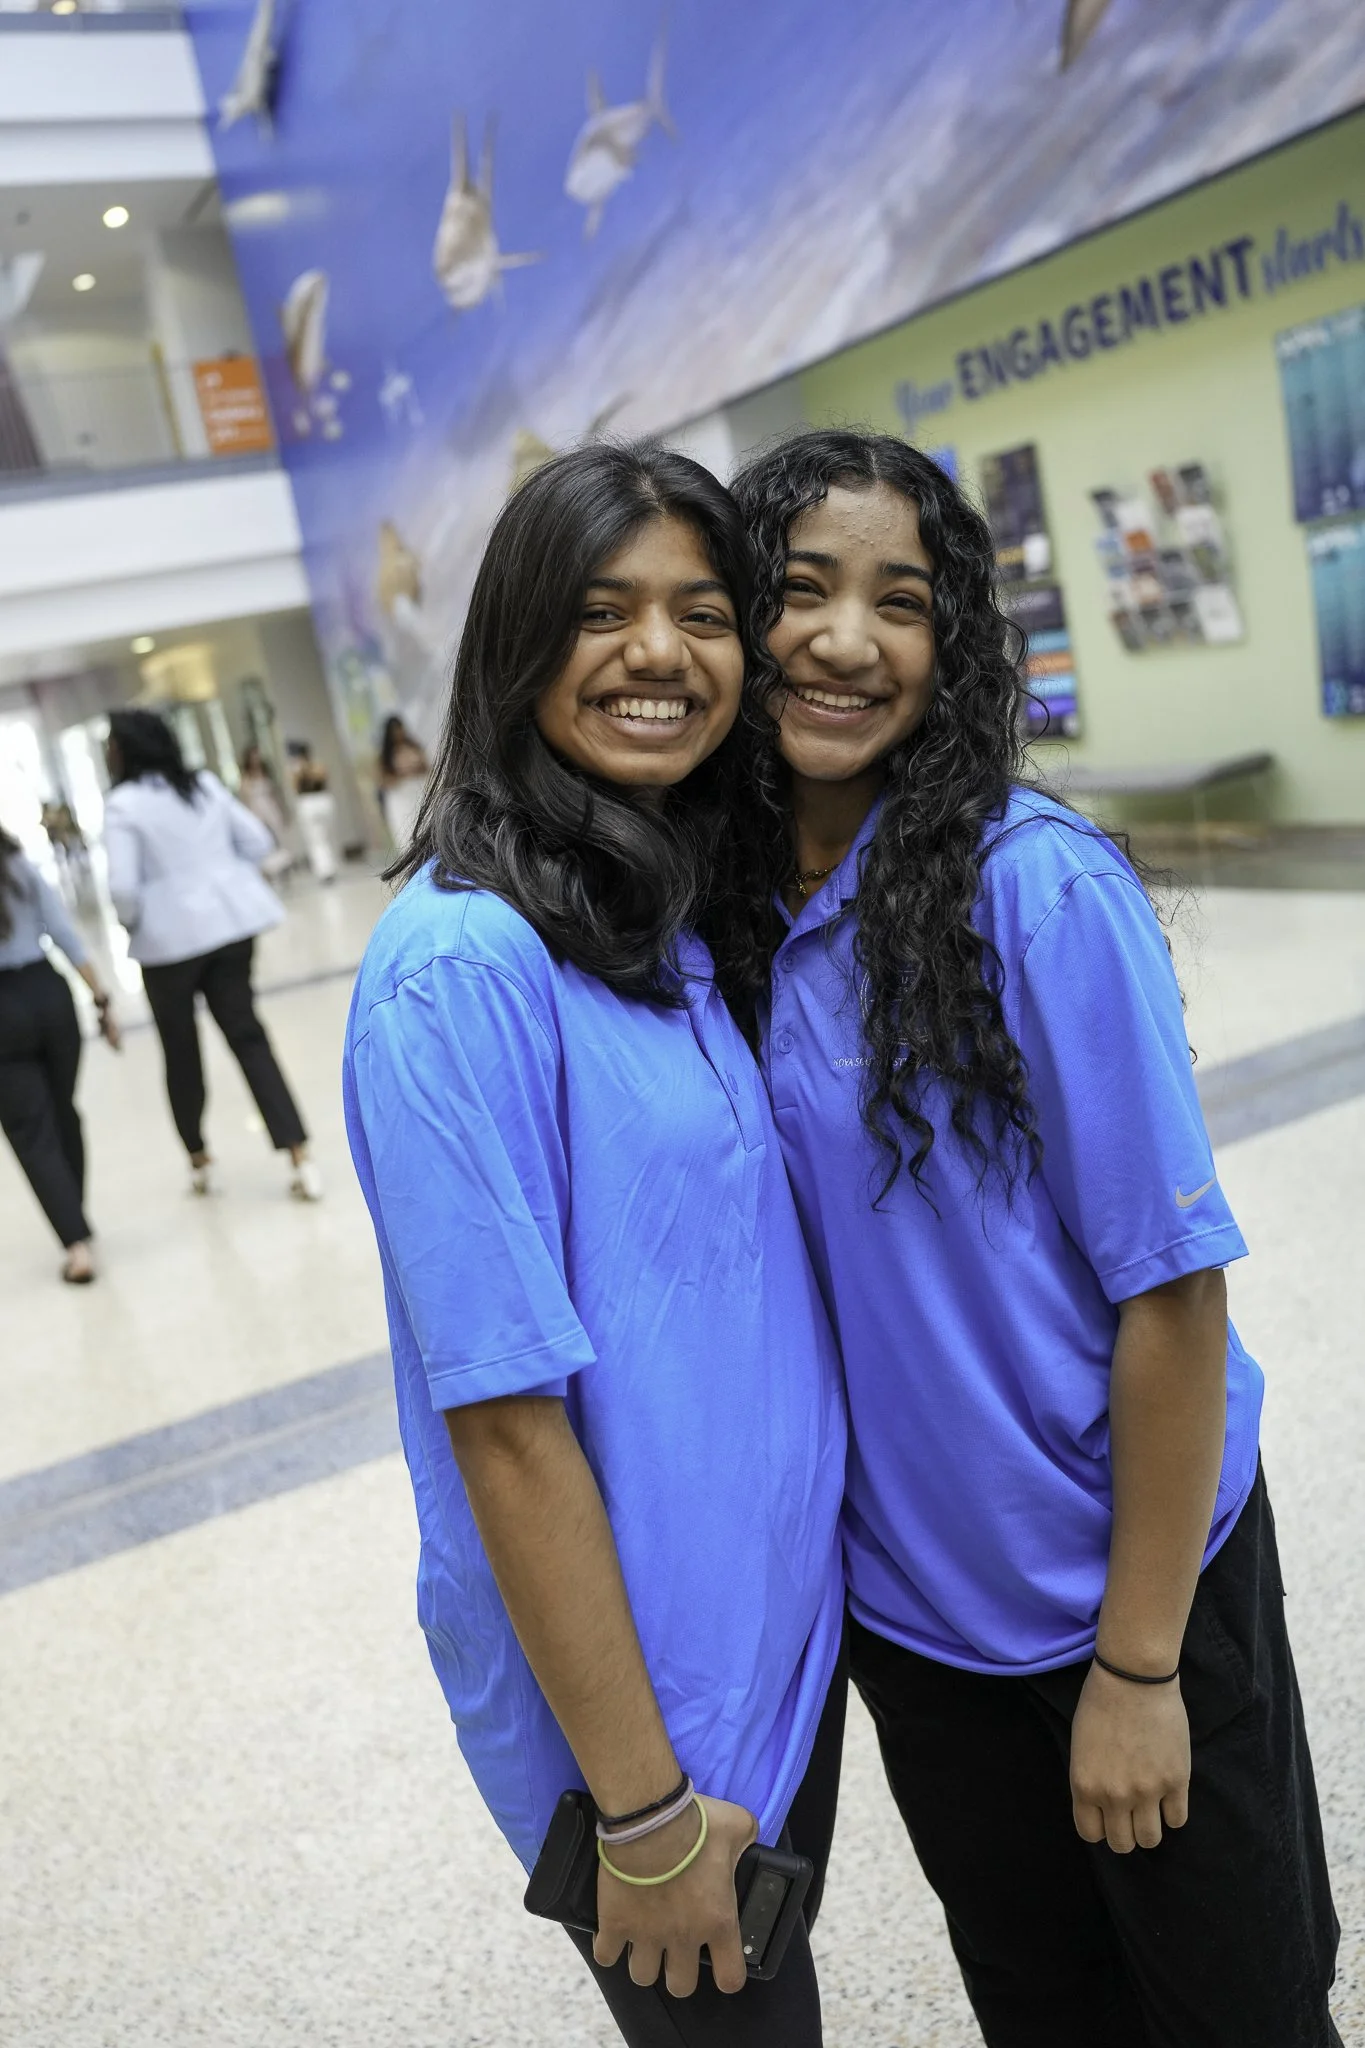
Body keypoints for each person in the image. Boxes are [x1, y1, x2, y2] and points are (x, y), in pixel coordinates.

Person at [712, 428, 1340, 2048]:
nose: (849, 639)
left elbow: (1176, 1292)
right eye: (800, 589)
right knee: (1048, 2010)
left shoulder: (1032, 890)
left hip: (1133, 1588)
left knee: (1241, 2011)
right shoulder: (732, 924)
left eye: (902, 602)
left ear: (956, 644)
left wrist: (1138, 1670)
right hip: (921, 1628)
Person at [342, 443, 847, 2047]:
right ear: (514, 642)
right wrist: (637, 1815)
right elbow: (504, 1418)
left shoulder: (651, 912)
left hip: (763, 1657)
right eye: (602, 610)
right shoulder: (458, 962)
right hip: (648, 1735)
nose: (659, 653)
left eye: (704, 613)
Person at [103, 709, 321, 1203]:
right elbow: (258, 841)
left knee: (181, 1050)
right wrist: (220, 877)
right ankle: (298, 1153)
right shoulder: (201, 785)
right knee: (248, 1036)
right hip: (230, 929)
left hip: (167, 945)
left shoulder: (124, 804)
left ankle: (198, 1158)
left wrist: (135, 919)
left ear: (126, 749)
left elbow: (122, 885)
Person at [0, 824, 119, 1282]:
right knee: (62, 1111)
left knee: (32, 1131)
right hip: (50, 997)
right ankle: (76, 1215)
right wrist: (101, 999)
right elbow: (65, 934)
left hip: (4, 1011)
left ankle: (76, 1246)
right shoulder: (18, 865)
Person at [375, 712, 429, 854]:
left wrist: (414, 770)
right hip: (399, 795)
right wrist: (401, 775)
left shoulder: (413, 746)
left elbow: (426, 766)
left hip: (417, 790)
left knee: (424, 825)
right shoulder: (386, 755)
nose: (398, 733)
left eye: (400, 729)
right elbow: (382, 779)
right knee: (405, 831)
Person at [237, 743, 293, 878]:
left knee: (278, 839)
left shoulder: (266, 773)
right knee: (265, 841)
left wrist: (283, 809)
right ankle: (270, 871)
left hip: (271, 809)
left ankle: (283, 868)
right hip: (257, 812)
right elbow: (244, 798)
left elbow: (275, 794)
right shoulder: (246, 777)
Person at [287, 738, 337, 882]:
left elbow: (296, 786)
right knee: (322, 838)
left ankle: (325, 869)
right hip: (321, 801)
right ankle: (327, 868)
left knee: (317, 839)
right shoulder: (317, 766)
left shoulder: (303, 768)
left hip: (311, 802)